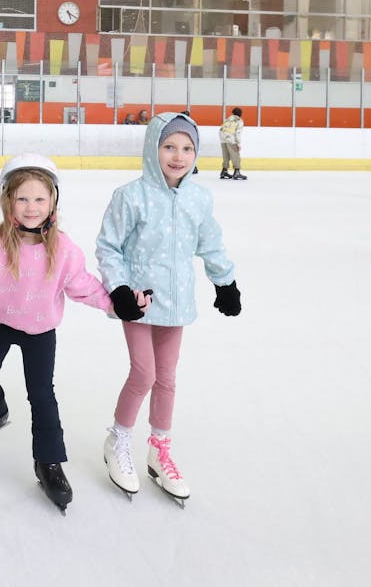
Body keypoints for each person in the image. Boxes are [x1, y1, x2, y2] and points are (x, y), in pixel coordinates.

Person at [0, 155, 114, 515]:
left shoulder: (64, 249)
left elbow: (82, 285)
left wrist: (115, 304)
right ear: (8, 201)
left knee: (41, 394)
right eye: (22, 199)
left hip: (40, 331)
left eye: (40, 199)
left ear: (53, 202)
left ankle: (49, 462)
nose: (31, 207)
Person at [95, 113, 239, 507]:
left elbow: (209, 242)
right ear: (152, 148)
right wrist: (120, 288)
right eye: (169, 146)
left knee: (167, 378)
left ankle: (159, 449)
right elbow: (108, 247)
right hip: (139, 303)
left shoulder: (198, 198)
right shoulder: (131, 196)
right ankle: (118, 439)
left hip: (176, 304)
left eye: (188, 148)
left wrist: (224, 281)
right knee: (144, 372)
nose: (179, 156)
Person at [219, 107, 246, 180]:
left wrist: (222, 139)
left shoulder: (227, 119)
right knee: (235, 155)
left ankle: (224, 171)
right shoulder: (239, 121)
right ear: (240, 114)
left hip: (223, 139)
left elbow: (221, 129)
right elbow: (238, 133)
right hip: (231, 140)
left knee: (226, 155)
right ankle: (237, 172)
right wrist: (238, 143)